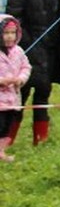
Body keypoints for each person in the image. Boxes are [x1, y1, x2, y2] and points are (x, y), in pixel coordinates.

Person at [5, 0, 60, 147]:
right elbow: (13, 22)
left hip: (49, 52)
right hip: (25, 52)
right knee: (18, 99)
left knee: (43, 96)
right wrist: (24, 46)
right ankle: (6, 142)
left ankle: (40, 142)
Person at [0, 14, 31, 161]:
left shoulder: (18, 51)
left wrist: (20, 79)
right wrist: (3, 81)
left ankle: (1, 151)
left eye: (12, 33)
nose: (9, 37)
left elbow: (26, 67)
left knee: (7, 127)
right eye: (6, 33)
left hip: (12, 98)